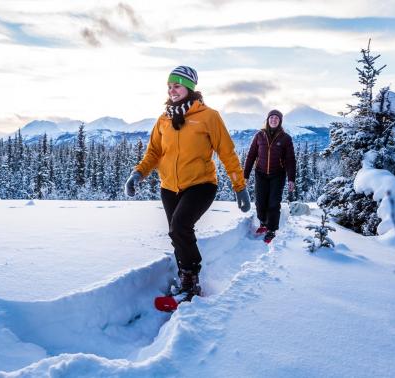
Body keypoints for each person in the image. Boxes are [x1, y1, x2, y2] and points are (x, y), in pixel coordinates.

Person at [124, 65, 250, 302]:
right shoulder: (164, 119)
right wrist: (138, 174)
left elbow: (227, 153)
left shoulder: (208, 117)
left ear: (189, 87)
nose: (172, 90)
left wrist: (239, 187)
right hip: (169, 187)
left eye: (177, 86)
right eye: (169, 86)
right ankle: (185, 275)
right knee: (177, 232)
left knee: (180, 226)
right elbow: (153, 152)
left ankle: (191, 280)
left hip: (201, 184)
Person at [243, 109, 296, 244]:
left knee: (273, 202)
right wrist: (246, 175)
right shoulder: (259, 136)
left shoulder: (285, 138)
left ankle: (271, 229)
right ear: (267, 120)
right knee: (260, 201)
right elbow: (251, 156)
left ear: (280, 121)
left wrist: (291, 179)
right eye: (271, 117)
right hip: (260, 173)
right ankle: (263, 224)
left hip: (277, 174)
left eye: (276, 118)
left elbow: (290, 159)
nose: (273, 120)